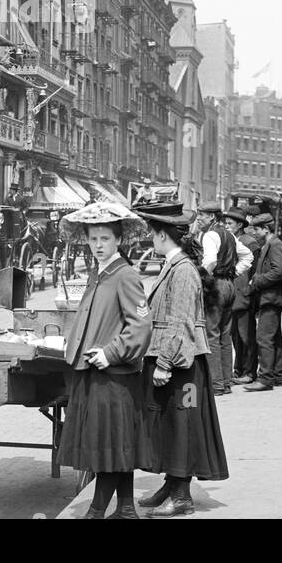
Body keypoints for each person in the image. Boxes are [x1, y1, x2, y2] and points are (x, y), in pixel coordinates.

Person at [58, 201, 152, 519]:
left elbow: (140, 326)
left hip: (114, 377)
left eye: (105, 239)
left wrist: (109, 352)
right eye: (93, 238)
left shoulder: (125, 275)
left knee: (106, 448)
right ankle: (126, 508)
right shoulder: (99, 273)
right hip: (96, 373)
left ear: (118, 240)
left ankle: (96, 511)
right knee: (116, 444)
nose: (98, 245)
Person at [134, 201, 228, 516]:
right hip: (176, 360)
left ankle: (182, 496)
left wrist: (163, 363)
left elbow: (181, 320)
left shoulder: (183, 270)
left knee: (181, 426)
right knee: (171, 426)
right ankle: (171, 485)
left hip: (180, 365)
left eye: (151, 232)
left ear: (162, 235)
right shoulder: (176, 265)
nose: (150, 238)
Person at [245, 212, 282, 391]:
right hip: (273, 297)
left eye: (256, 229)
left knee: (264, 337)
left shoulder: (275, 245)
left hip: (272, 298)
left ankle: (265, 378)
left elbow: (278, 272)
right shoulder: (273, 243)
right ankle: (276, 374)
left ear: (266, 229)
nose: (255, 233)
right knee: (274, 337)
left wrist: (256, 280)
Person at [197, 202, 239, 395]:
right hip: (229, 285)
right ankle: (227, 381)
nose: (199, 219)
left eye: (202, 215)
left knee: (211, 334)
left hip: (216, 285)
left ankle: (216, 384)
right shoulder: (229, 234)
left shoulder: (209, 235)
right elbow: (247, 257)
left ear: (212, 217)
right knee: (225, 334)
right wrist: (234, 273)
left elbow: (211, 260)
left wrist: (202, 275)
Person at [230, 211, 263, 384]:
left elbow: (255, 272)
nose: (227, 226)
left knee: (246, 335)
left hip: (245, 295)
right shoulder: (231, 240)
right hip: (234, 295)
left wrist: (250, 293)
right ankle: (239, 369)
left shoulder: (250, 243)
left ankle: (250, 371)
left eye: (231, 223)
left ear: (240, 225)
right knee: (235, 336)